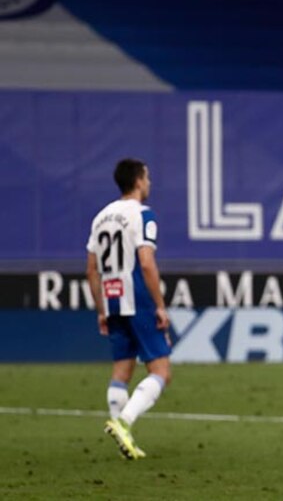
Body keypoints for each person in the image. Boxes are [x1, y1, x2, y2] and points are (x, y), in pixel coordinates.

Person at [86, 158, 172, 459]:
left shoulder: (101, 217)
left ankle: (123, 439)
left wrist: (100, 310)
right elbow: (146, 262)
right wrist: (160, 306)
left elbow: (92, 269)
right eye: (147, 177)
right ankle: (123, 422)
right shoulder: (143, 215)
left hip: (112, 298)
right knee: (161, 370)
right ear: (137, 181)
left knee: (122, 370)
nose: (149, 183)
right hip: (137, 296)